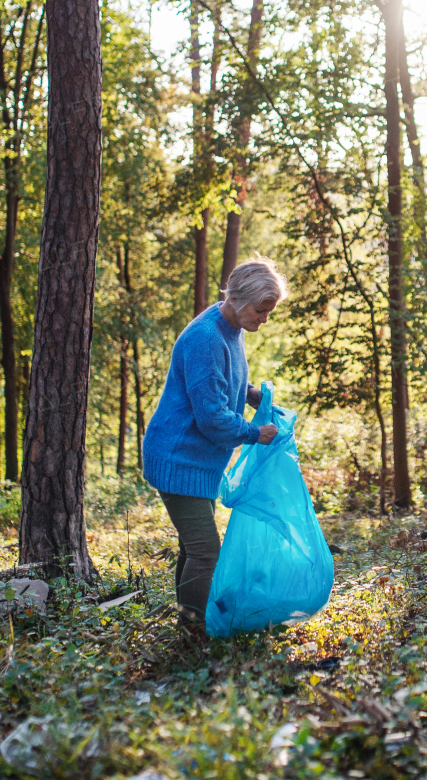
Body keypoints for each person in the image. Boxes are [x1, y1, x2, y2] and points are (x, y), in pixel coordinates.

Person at [142, 255, 289, 640]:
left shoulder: (229, 326)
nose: (264, 319)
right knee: (207, 551)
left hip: (200, 463)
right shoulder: (206, 337)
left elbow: (225, 384)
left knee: (195, 550)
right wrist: (255, 433)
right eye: (261, 310)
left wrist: (254, 395)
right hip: (179, 460)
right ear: (240, 300)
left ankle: (188, 624)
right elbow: (211, 417)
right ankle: (194, 634)